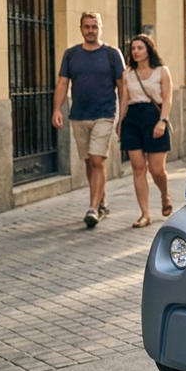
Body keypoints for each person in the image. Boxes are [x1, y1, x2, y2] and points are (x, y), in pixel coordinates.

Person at [52, 12, 126, 228]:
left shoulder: (112, 54)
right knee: (88, 162)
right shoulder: (71, 55)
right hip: (78, 115)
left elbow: (122, 86)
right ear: (81, 28)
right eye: (87, 27)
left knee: (97, 159)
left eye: (94, 26)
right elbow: (63, 83)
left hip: (104, 113)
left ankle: (93, 208)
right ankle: (102, 201)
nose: (91, 30)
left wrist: (122, 116)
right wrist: (57, 109)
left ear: (100, 28)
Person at [118, 35, 174, 227]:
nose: (135, 51)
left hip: (154, 117)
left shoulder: (161, 71)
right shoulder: (128, 74)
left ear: (148, 50)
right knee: (138, 168)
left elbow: (167, 99)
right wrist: (120, 122)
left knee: (157, 169)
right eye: (133, 48)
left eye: (140, 48)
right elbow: (124, 100)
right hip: (132, 119)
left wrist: (162, 121)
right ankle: (145, 214)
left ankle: (165, 195)